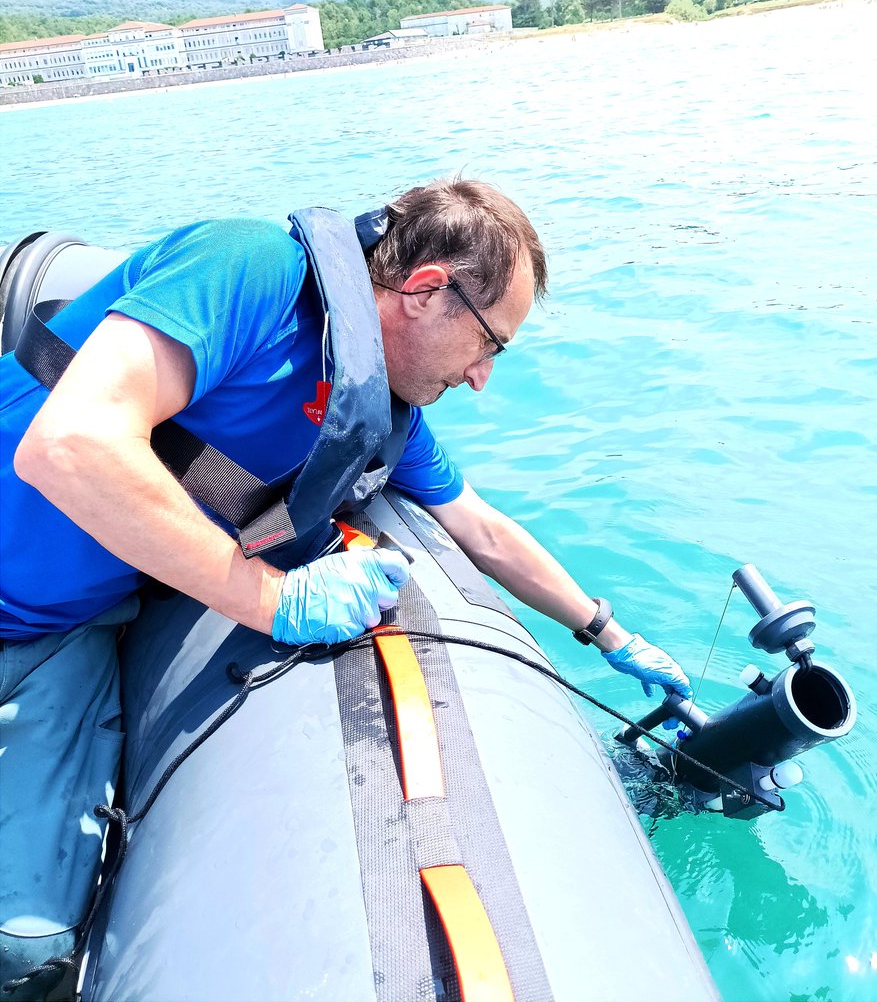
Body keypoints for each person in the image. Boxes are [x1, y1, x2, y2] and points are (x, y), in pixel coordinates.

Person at [0, 177, 690, 999]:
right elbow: (70, 444)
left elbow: (483, 530)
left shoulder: (382, 418)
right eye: (490, 344)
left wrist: (610, 634)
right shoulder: (248, 268)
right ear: (428, 291)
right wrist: (274, 602)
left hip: (57, 632)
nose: (482, 378)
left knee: (28, 949)